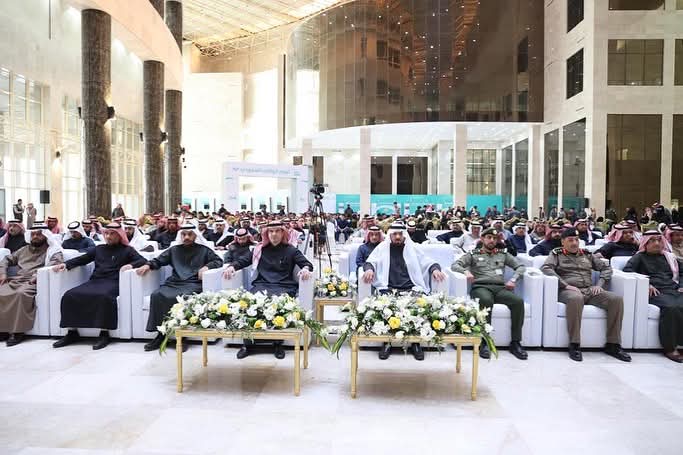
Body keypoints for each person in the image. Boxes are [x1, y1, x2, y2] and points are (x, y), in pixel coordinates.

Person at [224, 220, 314, 359]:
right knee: (248, 304)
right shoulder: (259, 249)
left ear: (282, 233)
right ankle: (247, 344)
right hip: (262, 285)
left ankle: (277, 343)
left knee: (277, 305)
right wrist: (232, 267)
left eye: (277, 231)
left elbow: (306, 263)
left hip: (284, 286)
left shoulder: (291, 250)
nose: (274, 234)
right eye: (271, 231)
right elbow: (243, 261)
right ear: (266, 234)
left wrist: (306, 269)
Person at [52, 223, 147, 350]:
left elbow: (143, 260)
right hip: (96, 281)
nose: (108, 236)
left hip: (114, 282)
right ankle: (72, 332)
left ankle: (104, 333)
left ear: (119, 235)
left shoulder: (127, 250)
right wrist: (66, 264)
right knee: (70, 295)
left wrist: (131, 265)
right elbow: (83, 259)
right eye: (106, 233)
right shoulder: (99, 249)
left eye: (112, 234)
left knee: (103, 297)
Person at [541, 228, 631, 362]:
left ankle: (613, 344)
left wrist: (599, 285)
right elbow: (546, 268)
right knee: (576, 299)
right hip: (568, 291)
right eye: (570, 240)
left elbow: (606, 268)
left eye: (576, 240)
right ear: (563, 242)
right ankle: (574, 344)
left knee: (616, 300)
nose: (574, 243)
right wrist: (565, 285)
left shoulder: (587, 254)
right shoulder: (556, 254)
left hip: (589, 290)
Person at [361, 221, 446, 361]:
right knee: (387, 311)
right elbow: (370, 262)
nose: (398, 237)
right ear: (390, 235)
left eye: (400, 234)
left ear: (404, 235)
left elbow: (428, 261)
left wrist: (435, 269)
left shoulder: (412, 247)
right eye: (395, 234)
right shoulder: (382, 248)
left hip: (411, 288)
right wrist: (369, 269)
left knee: (417, 311)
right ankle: (387, 342)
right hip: (388, 288)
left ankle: (415, 343)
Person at [138, 224, 223, 352]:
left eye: (190, 234)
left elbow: (218, 261)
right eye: (184, 234)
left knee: (183, 298)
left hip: (193, 283)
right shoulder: (174, 250)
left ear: (195, 235)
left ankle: (182, 336)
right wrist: (148, 265)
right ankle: (161, 334)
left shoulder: (204, 250)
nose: (186, 237)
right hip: (175, 282)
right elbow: (159, 260)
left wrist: (207, 267)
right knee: (157, 295)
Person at [452, 227, 528, 360]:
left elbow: (520, 267)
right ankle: (484, 341)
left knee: (518, 302)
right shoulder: (473, 254)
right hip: (481, 288)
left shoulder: (503, 254)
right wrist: (466, 271)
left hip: (500, 289)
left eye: (494, 238)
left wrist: (513, 279)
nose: (492, 240)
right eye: (489, 237)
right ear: (482, 239)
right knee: (486, 300)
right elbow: (455, 265)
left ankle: (516, 342)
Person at [0, 223, 64, 346]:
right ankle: (3, 330)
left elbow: (55, 264)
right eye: (33, 234)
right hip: (17, 279)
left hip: (36, 281)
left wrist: (37, 276)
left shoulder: (53, 250)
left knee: (20, 294)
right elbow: (6, 259)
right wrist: (2, 273)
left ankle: (18, 331)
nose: (35, 237)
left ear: (45, 235)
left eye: (39, 234)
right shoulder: (23, 250)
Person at [623, 231, 683, 362]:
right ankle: (670, 348)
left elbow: (682, 273)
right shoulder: (639, 257)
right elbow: (627, 271)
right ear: (645, 243)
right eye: (652, 240)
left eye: (659, 240)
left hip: (673, 289)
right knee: (671, 308)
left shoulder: (669, 257)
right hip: (655, 291)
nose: (657, 243)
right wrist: (647, 284)